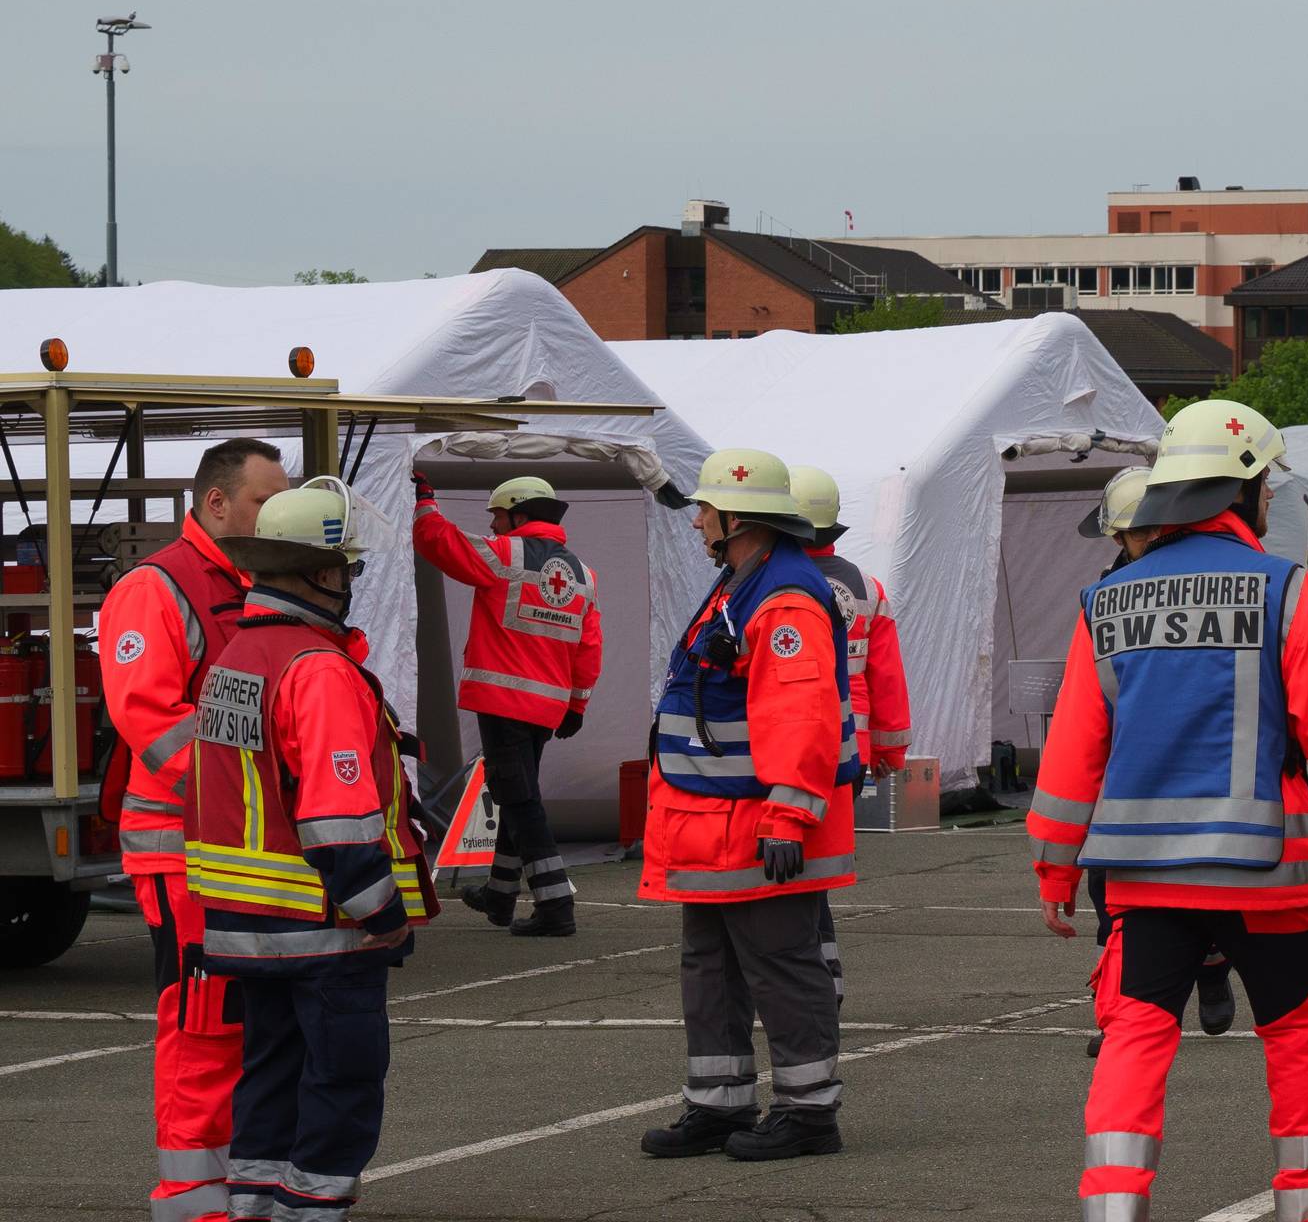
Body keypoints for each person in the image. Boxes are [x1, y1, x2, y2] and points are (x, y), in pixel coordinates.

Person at [1029, 401, 1308, 1222]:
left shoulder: (1105, 601)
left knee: (1134, 1043)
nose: (1272, 501)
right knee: (1297, 1041)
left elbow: (1074, 749)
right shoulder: (1287, 590)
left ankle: (1112, 1209)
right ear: (1241, 489)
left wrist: (1055, 864)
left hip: (1142, 883)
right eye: (1267, 487)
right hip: (1268, 877)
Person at [183, 477, 436, 1222]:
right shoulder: (317, 668)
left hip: (246, 923)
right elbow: (338, 817)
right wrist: (381, 910)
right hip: (324, 926)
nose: (352, 580)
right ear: (322, 572)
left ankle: (257, 1207)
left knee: (269, 1078)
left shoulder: (236, 658)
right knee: (342, 1081)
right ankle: (312, 1212)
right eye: (348, 567)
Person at [637, 449, 858, 1163]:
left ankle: (809, 1112)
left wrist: (790, 814)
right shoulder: (744, 582)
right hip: (715, 821)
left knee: (780, 965)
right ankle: (717, 1104)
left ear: (737, 518)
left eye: (705, 509)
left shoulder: (783, 595)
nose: (697, 520)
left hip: (759, 824)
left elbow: (803, 713)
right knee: (711, 965)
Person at [97, 436, 287, 1222]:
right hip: (184, 850)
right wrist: (258, 784)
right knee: (202, 1026)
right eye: (263, 503)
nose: (276, 517)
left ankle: (239, 1188)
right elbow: (149, 716)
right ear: (216, 503)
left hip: (240, 849)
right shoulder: (157, 586)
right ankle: (194, 1200)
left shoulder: (253, 581)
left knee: (246, 1026)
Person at [1073, 467, 1235, 1058]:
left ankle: (1213, 966)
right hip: (1129, 774)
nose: (1142, 543)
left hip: (1208, 765)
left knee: (1211, 889)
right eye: (1131, 536)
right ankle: (1117, 1015)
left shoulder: (1218, 583)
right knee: (1111, 898)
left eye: (1149, 530)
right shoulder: (1103, 598)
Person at [411, 473, 604, 938]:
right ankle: (499, 895)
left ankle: (556, 905)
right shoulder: (582, 573)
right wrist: (576, 703)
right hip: (549, 706)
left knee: (520, 798)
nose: (494, 525)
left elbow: (439, 542)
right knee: (516, 793)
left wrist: (425, 501)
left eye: (497, 515)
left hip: (504, 700)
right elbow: (589, 643)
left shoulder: (504, 555)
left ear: (519, 513)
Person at [785, 464, 910, 1006]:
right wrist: (889, 750)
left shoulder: (775, 582)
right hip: (850, 752)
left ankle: (811, 976)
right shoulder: (867, 588)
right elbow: (886, 677)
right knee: (822, 865)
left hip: (790, 749)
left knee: (790, 870)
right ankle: (825, 973)